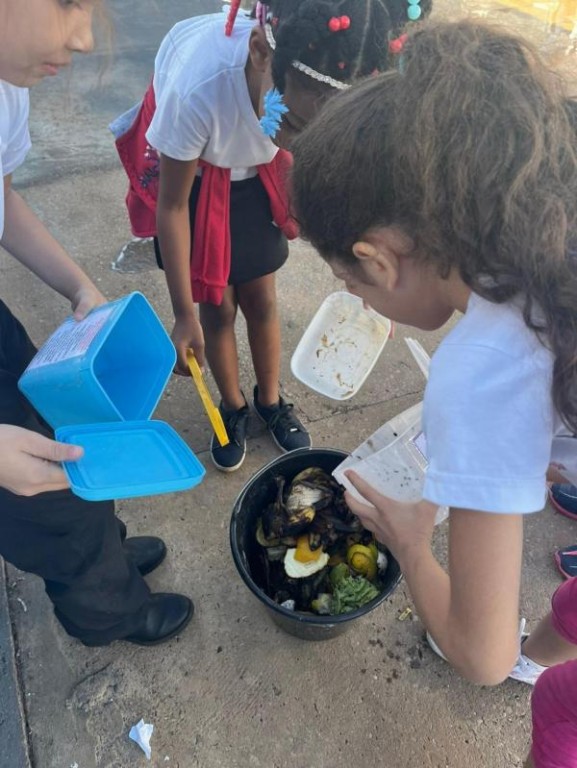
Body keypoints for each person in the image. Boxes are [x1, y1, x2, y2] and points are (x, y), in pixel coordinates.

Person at [290, 20, 577, 686]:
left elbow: (482, 657)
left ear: (377, 260)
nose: (359, 300)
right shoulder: (549, 213)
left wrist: (411, 546)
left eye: (350, 284)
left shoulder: (480, 373)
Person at [113, 0, 429, 472]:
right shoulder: (197, 89)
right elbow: (173, 207)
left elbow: (342, 191)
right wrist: (182, 315)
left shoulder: (310, 101)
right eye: (296, 124)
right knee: (217, 305)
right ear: (260, 52)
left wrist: (364, 276)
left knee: (261, 296)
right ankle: (233, 405)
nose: (300, 144)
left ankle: (269, 400)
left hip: (255, 174)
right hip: (197, 178)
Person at [0, 0, 192, 646]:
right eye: (67, 3)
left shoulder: (6, 83)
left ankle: (105, 548)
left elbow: (0, 196)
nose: (85, 38)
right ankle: (112, 611)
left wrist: (78, 286)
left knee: (68, 428)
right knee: (48, 508)